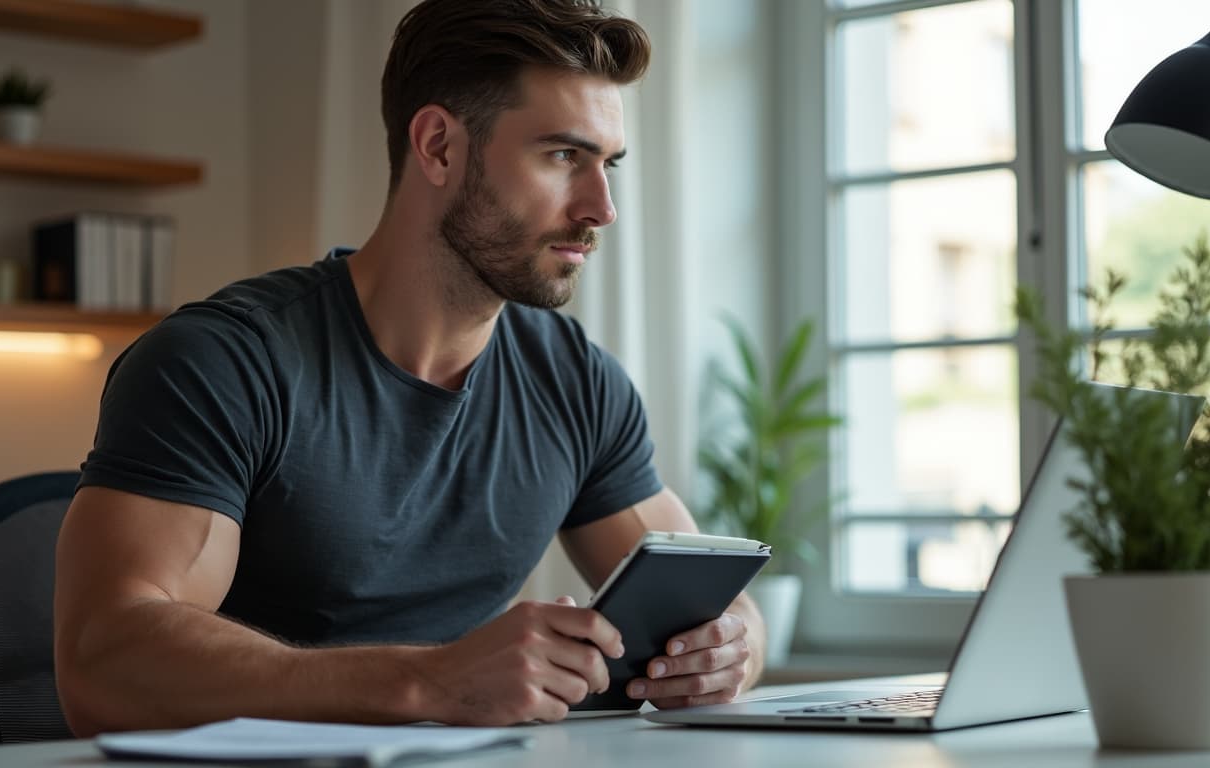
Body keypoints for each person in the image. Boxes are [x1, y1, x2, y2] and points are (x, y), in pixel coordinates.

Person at [53, 0, 766, 736]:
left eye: (607, 164)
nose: (602, 207)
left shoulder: (577, 382)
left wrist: (728, 652)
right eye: (563, 156)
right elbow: (104, 664)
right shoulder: (223, 363)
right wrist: (429, 680)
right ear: (437, 146)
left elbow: (724, 608)